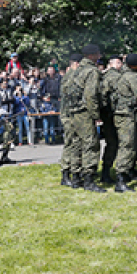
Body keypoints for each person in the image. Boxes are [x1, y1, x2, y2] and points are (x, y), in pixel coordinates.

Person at [64, 44, 105, 192]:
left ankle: (76, 177)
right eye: (98, 54)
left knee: (76, 144)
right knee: (91, 145)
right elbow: (90, 95)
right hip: (84, 112)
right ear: (92, 55)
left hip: (73, 111)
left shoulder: (76, 70)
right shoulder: (91, 71)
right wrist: (96, 115)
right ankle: (88, 179)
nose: (99, 56)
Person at [111, 54, 137, 192]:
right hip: (127, 115)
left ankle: (125, 173)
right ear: (135, 65)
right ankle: (121, 180)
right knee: (127, 146)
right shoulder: (131, 77)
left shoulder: (121, 75)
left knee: (127, 144)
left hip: (121, 114)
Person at [59, 53, 83, 187]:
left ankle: (70, 173)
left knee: (73, 143)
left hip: (69, 114)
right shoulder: (71, 77)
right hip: (69, 115)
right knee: (71, 144)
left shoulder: (69, 75)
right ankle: (66, 173)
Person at [98, 55, 123, 184]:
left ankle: (106, 171)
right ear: (116, 63)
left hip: (106, 114)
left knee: (111, 144)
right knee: (114, 144)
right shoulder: (115, 77)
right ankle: (109, 173)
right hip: (113, 114)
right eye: (120, 63)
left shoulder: (103, 75)